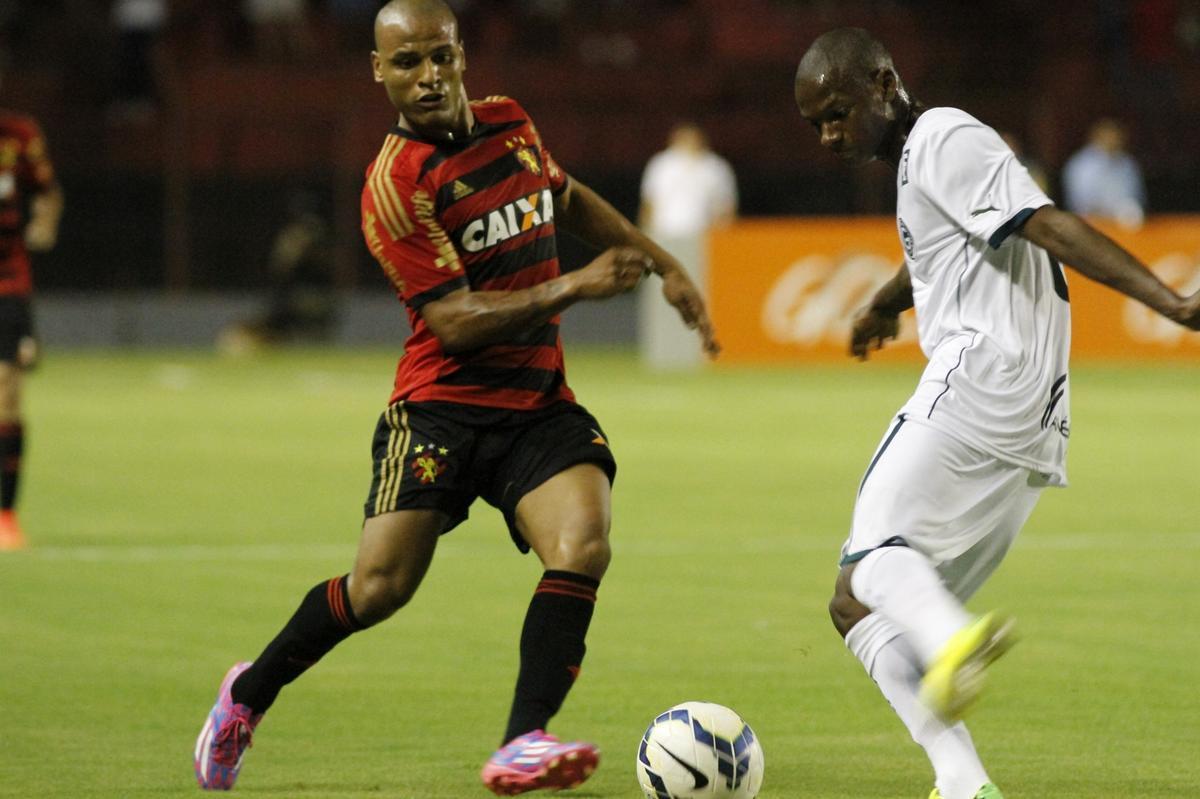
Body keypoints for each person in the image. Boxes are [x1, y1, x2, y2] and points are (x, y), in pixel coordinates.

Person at [193, 0, 718, 795]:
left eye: (440, 56)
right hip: (440, 409)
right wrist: (574, 284)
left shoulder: (511, 123)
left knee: (583, 543)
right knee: (379, 588)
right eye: (408, 62)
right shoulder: (395, 184)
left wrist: (665, 264)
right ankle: (247, 694)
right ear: (380, 71)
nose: (429, 76)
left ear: (462, 55)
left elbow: (567, 196)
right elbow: (454, 322)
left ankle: (522, 740)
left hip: (536, 403)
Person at [793, 28, 1200, 799]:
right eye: (816, 124)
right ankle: (962, 780)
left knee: (874, 556)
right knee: (858, 601)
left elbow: (1047, 224)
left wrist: (1170, 301)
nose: (829, 136)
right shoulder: (923, 161)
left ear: (883, 84)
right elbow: (945, 251)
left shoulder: (942, 136)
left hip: (982, 377)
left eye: (837, 114)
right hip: (1032, 421)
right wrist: (885, 303)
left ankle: (955, 639)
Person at [0, 94, 63, 551]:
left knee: (7, 393)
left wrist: (44, 223)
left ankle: (5, 514)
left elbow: (48, 192)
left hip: (7, 280)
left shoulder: (18, 135)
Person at [638, 121, 737, 241]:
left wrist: (722, 237)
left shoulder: (715, 167)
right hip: (664, 232)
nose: (689, 142)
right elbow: (649, 203)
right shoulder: (661, 164)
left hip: (703, 235)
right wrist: (646, 234)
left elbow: (725, 207)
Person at [1061, 117, 1147, 228]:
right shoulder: (1081, 165)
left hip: (1126, 225)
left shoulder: (1128, 163)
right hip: (1089, 226)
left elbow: (1137, 198)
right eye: (1109, 135)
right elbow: (1081, 204)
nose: (1114, 140)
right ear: (1096, 137)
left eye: (1117, 136)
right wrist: (1110, 215)